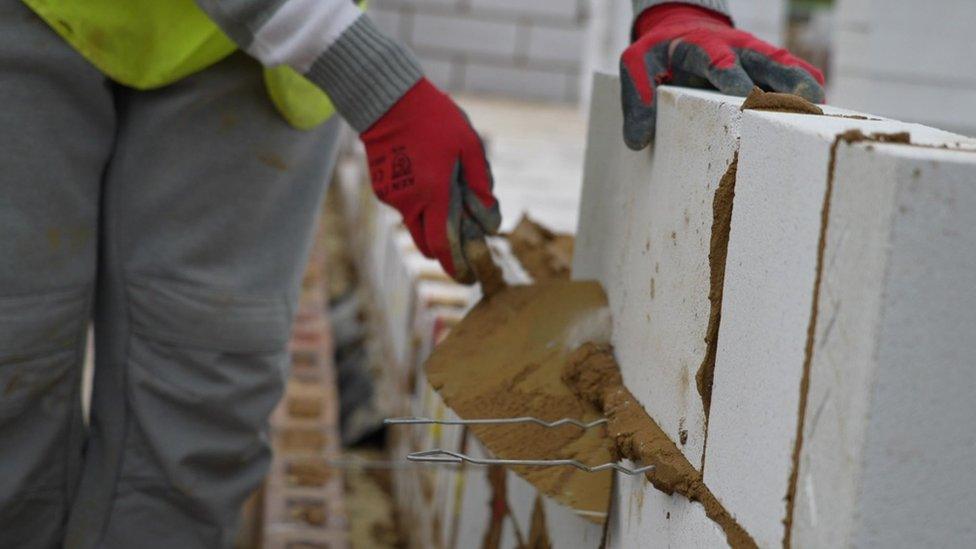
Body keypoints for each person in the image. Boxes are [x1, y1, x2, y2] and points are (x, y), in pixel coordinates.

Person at [0, 0, 824, 547]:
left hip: (239, 52)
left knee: (200, 410)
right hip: (35, 25)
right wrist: (367, 75)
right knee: (13, 371)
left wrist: (680, 7)